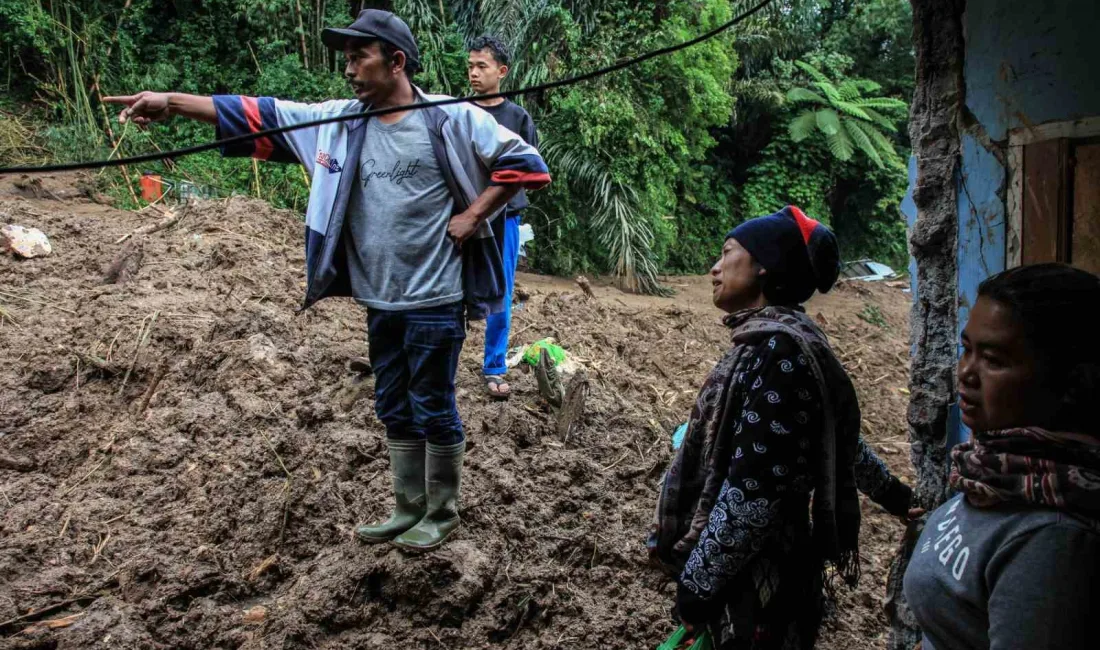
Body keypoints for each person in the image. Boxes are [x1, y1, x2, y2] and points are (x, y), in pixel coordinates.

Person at [104, 9, 551, 552]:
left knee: (433, 404)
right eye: (347, 58)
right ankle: (407, 507)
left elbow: (527, 164)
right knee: (392, 404)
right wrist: (170, 103)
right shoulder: (338, 121)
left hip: (435, 295)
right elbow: (257, 114)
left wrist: (474, 214)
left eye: (359, 57)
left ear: (396, 62)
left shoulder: (449, 119)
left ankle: (442, 511)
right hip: (379, 297)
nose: (349, 69)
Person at [648, 206, 918, 649]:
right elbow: (832, 437)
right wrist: (893, 494)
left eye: (727, 252)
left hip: (760, 575)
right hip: (765, 565)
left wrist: (696, 589)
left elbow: (751, 494)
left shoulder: (781, 355)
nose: (714, 268)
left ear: (763, 266)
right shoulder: (772, 344)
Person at [903, 263, 1100, 650]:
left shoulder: (1055, 539)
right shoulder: (1000, 473)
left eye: (993, 360)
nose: (965, 373)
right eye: (967, 350)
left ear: (1072, 383)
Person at [467, 35, 539, 400]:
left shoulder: (516, 117)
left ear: (502, 71)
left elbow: (531, 169)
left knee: (502, 291)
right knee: (452, 287)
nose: (474, 73)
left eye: (482, 66)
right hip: (464, 216)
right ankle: (444, 359)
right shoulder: (460, 111)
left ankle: (494, 366)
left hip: (505, 217)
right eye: (470, 66)